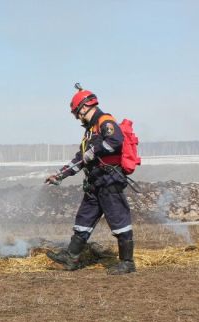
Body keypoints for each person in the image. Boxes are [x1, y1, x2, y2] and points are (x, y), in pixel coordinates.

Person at [45, 85, 135, 274]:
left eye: (77, 113)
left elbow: (115, 141)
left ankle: (127, 263)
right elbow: (81, 158)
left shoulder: (105, 121)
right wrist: (60, 175)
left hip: (109, 181)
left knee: (119, 221)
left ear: (85, 107)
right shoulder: (89, 131)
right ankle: (71, 258)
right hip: (95, 183)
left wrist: (93, 152)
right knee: (84, 219)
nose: (77, 117)